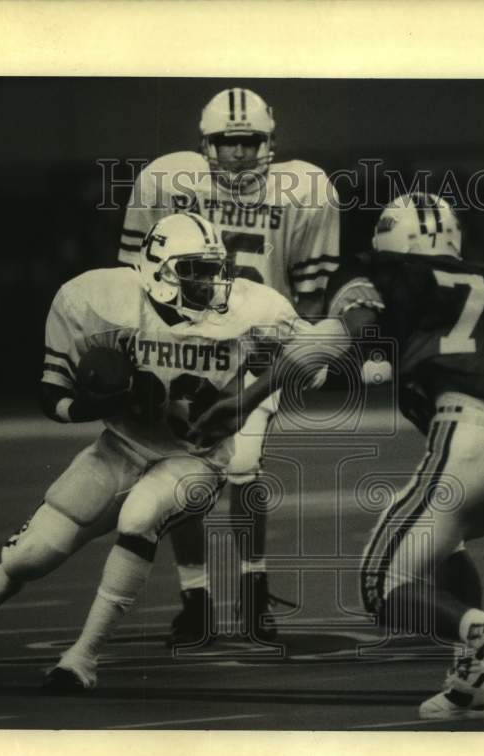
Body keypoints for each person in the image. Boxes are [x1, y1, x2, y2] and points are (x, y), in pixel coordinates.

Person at [199, 192, 484, 726]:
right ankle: (472, 677)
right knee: (447, 540)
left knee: (382, 585)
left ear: (389, 239)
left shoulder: (381, 278)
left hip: (468, 440)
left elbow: (348, 336)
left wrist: (244, 400)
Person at [0, 212, 315, 690]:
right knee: (31, 557)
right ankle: (2, 578)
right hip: (122, 445)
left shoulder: (249, 309)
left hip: (197, 456)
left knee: (140, 516)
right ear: (158, 272)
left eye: (213, 268)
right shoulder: (102, 303)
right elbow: (51, 395)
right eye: (195, 270)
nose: (210, 281)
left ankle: (83, 657)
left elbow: (320, 346)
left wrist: (249, 397)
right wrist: (92, 404)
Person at [118, 87, 340, 644]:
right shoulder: (168, 182)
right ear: (206, 143)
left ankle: (253, 592)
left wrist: (300, 352)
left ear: (269, 143)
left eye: (248, 142)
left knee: (242, 465)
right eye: (227, 142)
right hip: (186, 343)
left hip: (256, 344)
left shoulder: (306, 189)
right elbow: (135, 278)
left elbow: (310, 294)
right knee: (181, 468)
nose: (238, 153)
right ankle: (196, 598)